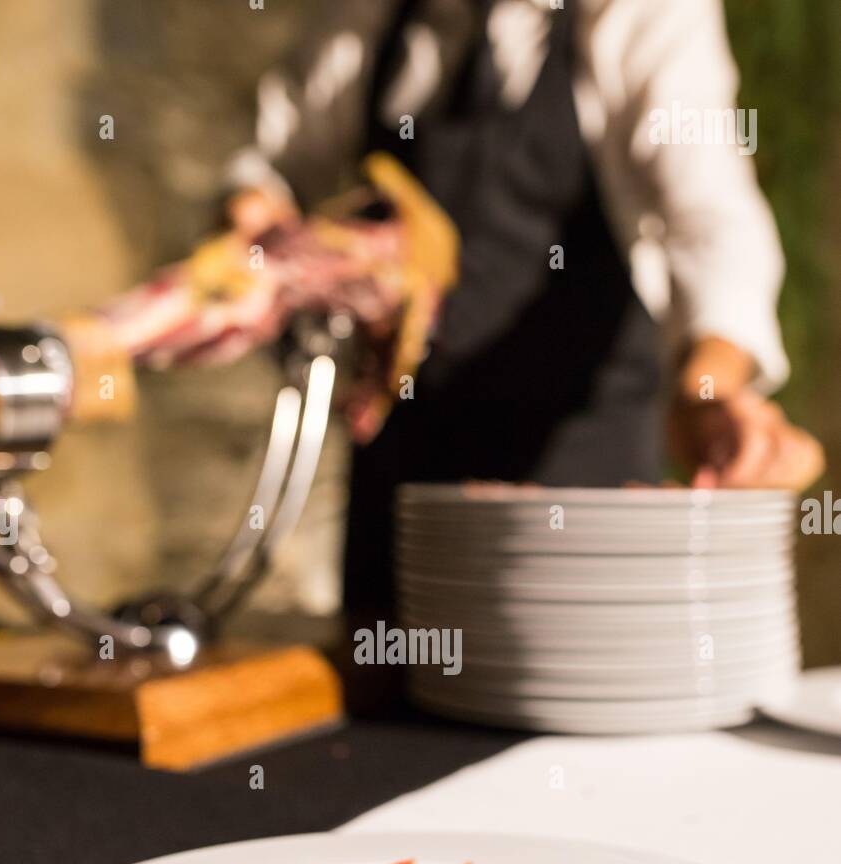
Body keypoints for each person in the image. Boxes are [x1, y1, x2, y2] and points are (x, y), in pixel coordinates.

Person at [225, 0, 823, 611]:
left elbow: (711, 216)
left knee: (573, 682)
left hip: (582, 470)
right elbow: (273, 164)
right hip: (402, 464)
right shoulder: (373, 16)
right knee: (392, 677)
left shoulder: (641, 14)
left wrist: (710, 387)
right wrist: (255, 220)